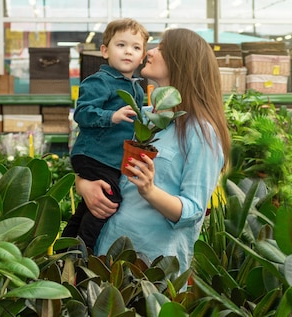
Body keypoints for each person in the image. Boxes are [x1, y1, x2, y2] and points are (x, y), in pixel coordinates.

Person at [74, 28, 231, 277]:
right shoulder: (139, 115)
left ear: (181, 62)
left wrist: (149, 190)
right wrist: (83, 183)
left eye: (161, 48)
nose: (150, 52)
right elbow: (98, 154)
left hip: (151, 266)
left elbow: (192, 211)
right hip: (105, 252)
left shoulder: (200, 132)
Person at [62, 18, 149, 251]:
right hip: (95, 155)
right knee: (108, 200)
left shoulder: (138, 89)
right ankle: (83, 252)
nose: (128, 52)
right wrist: (111, 116)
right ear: (104, 51)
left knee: (87, 207)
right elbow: (82, 112)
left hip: (109, 158)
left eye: (136, 47)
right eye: (121, 45)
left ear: (142, 57)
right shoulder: (100, 81)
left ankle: (64, 250)